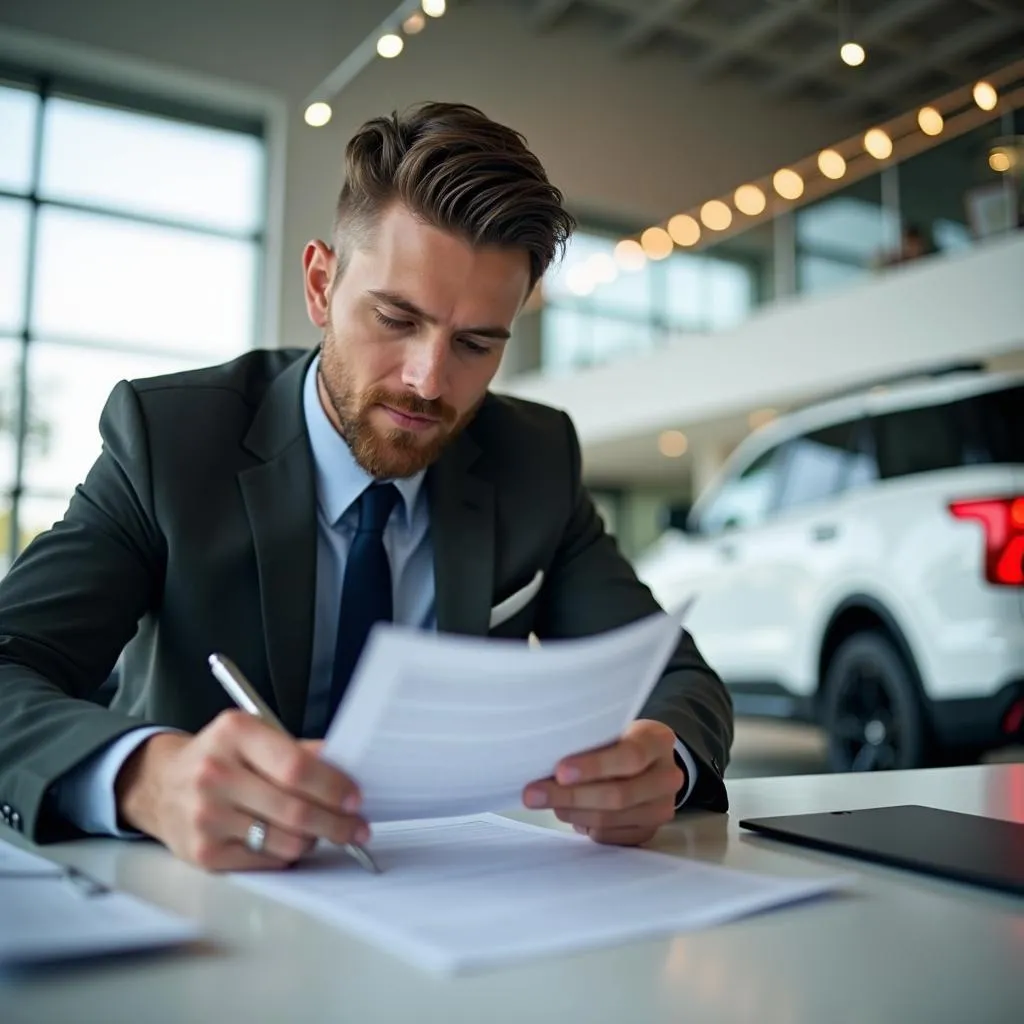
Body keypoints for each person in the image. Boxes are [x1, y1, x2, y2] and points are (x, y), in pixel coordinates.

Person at [0, 103, 732, 870]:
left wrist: (663, 759)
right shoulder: (169, 441)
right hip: (206, 902)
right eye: (395, 318)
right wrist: (146, 780)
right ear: (321, 284)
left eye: (476, 344)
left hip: (459, 903)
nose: (428, 380)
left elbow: (678, 677)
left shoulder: (534, 460)